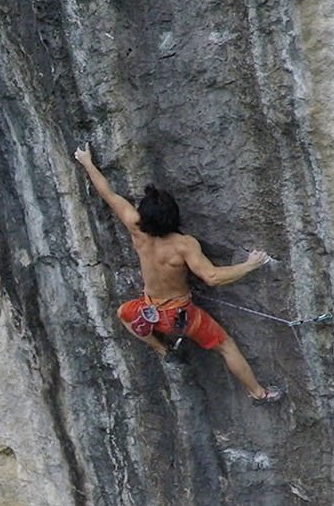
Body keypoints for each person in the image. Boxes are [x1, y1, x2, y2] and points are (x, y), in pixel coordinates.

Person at [74, 146, 284, 403]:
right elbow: (213, 277)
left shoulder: (136, 229)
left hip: (148, 313)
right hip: (182, 318)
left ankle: (163, 350)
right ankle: (259, 393)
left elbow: (108, 193)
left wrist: (87, 162)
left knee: (123, 313)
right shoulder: (184, 245)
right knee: (225, 345)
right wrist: (250, 265)